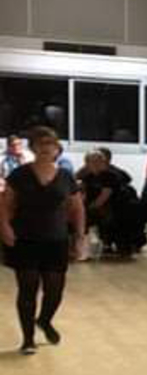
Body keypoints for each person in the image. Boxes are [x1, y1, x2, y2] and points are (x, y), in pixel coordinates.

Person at [0, 126, 86, 354]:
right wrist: (5, 227)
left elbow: (77, 208)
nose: (46, 148)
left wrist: (79, 236)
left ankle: (44, 320)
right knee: (28, 290)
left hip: (56, 239)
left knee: (54, 290)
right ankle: (28, 339)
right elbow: (6, 205)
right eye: (41, 144)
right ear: (33, 147)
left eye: (50, 144)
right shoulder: (19, 175)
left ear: (57, 148)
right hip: (25, 238)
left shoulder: (66, 176)